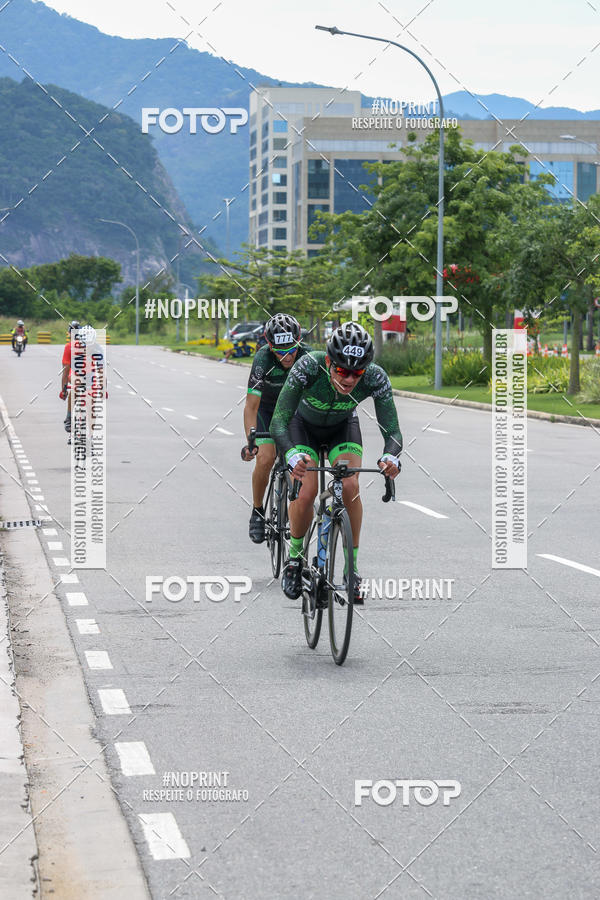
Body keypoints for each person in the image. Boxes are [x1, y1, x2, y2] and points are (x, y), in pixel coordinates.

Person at [270, 321, 402, 603]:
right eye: (342, 370)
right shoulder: (308, 366)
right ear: (329, 361)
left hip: (342, 426)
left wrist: (390, 457)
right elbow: (278, 422)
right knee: (305, 492)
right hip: (301, 426)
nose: (349, 379)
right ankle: (294, 559)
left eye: (357, 373)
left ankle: (351, 570)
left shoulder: (375, 378)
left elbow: (393, 432)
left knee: (351, 486)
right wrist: (292, 455)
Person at [241, 314, 310, 543]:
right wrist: (251, 442)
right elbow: (251, 406)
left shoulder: (307, 356)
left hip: (295, 412)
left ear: (298, 341)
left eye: (291, 349)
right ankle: (258, 510)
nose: (287, 356)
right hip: (267, 411)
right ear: (270, 346)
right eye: (279, 351)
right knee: (266, 458)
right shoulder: (263, 359)